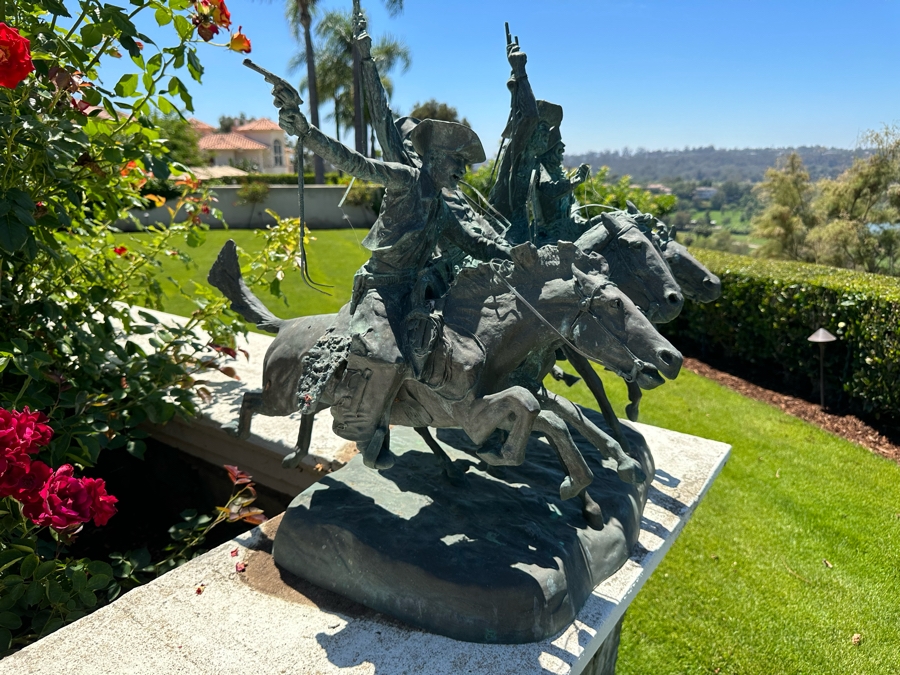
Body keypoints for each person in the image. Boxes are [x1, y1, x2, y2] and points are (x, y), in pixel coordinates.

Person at [269, 79, 507, 471]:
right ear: (435, 159)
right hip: (380, 290)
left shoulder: (440, 205)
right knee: (387, 355)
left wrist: (514, 256)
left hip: (416, 292)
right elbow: (355, 163)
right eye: (457, 162)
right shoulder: (405, 180)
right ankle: (367, 431)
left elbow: (472, 241)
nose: (463, 171)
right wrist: (307, 132)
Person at [488, 31, 561, 244]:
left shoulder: (535, 161)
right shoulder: (515, 153)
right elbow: (529, 115)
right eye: (543, 129)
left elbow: (550, 190)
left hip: (521, 231)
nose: (547, 135)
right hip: (502, 233)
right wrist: (520, 72)